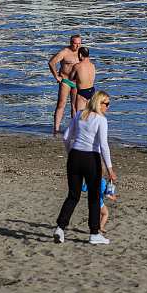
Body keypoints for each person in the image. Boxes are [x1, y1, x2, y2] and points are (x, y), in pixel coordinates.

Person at [54, 90, 117, 245]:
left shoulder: (80, 114)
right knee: (94, 197)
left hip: (75, 156)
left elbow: (66, 137)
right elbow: (104, 146)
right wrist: (110, 170)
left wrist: (71, 153)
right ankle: (94, 233)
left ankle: (60, 228)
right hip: (90, 158)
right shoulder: (101, 120)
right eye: (107, 104)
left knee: (73, 195)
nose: (108, 107)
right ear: (99, 103)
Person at [48, 34, 82, 133]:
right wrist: (56, 76)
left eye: (79, 44)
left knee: (75, 106)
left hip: (77, 82)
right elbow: (51, 62)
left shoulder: (81, 52)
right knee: (61, 104)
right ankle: (56, 129)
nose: (77, 46)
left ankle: (75, 129)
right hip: (65, 80)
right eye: (75, 44)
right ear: (71, 43)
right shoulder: (64, 52)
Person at [69, 46, 96, 113]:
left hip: (82, 92)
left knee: (80, 116)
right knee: (90, 116)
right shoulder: (92, 65)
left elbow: (71, 78)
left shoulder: (77, 66)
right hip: (92, 91)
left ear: (80, 55)